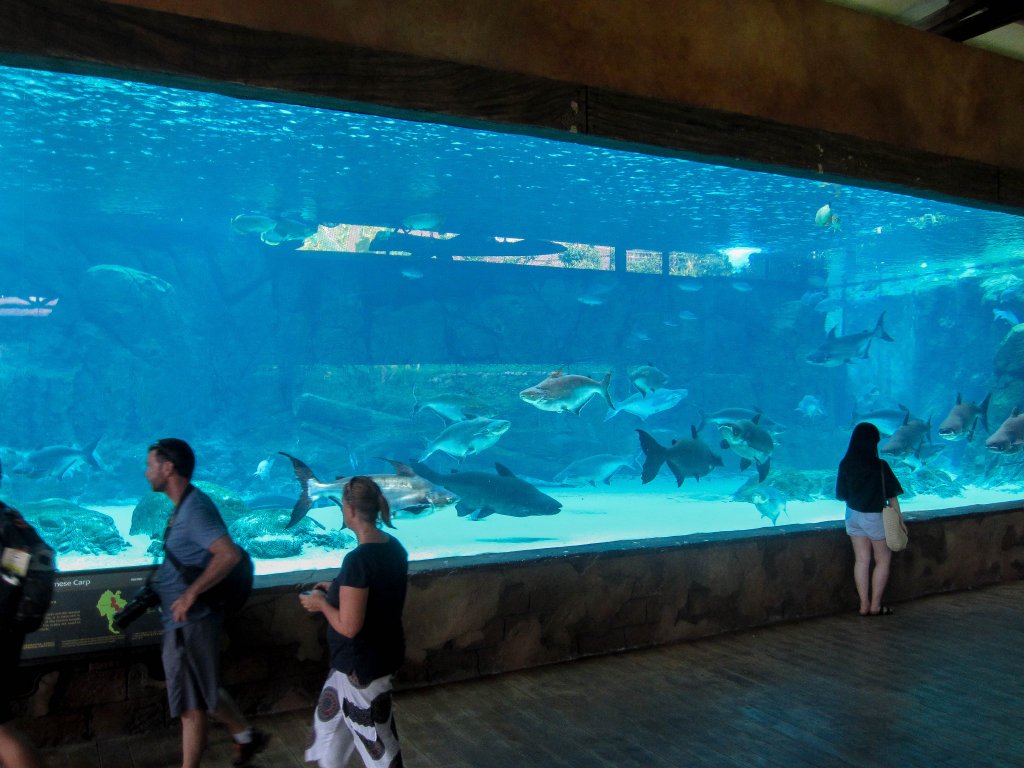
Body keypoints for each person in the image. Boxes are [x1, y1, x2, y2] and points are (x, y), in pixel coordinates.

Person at [146, 438, 268, 768]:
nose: (146, 473)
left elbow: (228, 554)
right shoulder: (183, 507)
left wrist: (189, 593)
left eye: (150, 465)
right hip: (184, 621)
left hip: (192, 621)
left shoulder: (195, 508)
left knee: (192, 704)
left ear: (167, 467)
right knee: (204, 693)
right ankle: (246, 735)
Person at [300, 476, 408, 768]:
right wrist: (336, 588)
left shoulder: (358, 560)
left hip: (362, 669)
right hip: (362, 662)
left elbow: (349, 626)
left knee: (380, 748)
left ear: (349, 509)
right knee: (327, 738)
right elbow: (375, 591)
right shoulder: (394, 547)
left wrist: (321, 603)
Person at [836, 422, 905, 616]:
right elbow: (892, 497)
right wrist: (900, 521)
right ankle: (875, 605)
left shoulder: (846, 463)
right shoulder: (880, 466)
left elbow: (841, 494)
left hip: (852, 516)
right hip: (874, 517)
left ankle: (863, 605)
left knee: (861, 561)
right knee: (882, 560)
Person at [0, 500, 46, 768]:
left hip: (3, 629)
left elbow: (14, 566)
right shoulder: (9, 514)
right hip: (8, 630)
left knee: (2, 733)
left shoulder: (4, 522)